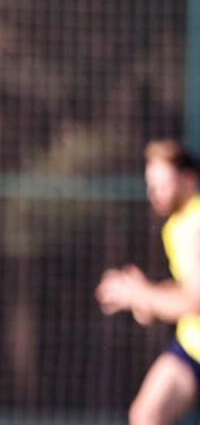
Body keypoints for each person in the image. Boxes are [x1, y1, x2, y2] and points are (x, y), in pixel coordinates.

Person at [97, 139, 200, 425]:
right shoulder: (178, 226)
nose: (155, 193)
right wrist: (151, 295)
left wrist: (141, 296)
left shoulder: (195, 226)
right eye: (151, 185)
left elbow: (195, 301)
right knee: (146, 414)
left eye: (163, 184)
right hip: (193, 346)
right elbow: (190, 288)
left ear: (189, 180)